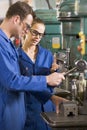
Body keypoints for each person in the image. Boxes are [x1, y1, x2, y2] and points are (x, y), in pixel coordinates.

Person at [0, 1, 66, 130]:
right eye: (28, 26)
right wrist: (46, 79)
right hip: (7, 117)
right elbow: (12, 81)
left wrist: (51, 97)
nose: (27, 31)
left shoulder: (8, 45)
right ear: (16, 19)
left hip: (17, 116)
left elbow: (24, 79)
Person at [18, 17, 65, 130]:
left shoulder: (47, 54)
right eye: (35, 32)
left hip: (49, 108)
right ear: (26, 30)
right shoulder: (16, 56)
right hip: (28, 109)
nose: (38, 37)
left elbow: (53, 84)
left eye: (41, 34)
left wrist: (55, 72)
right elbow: (20, 83)